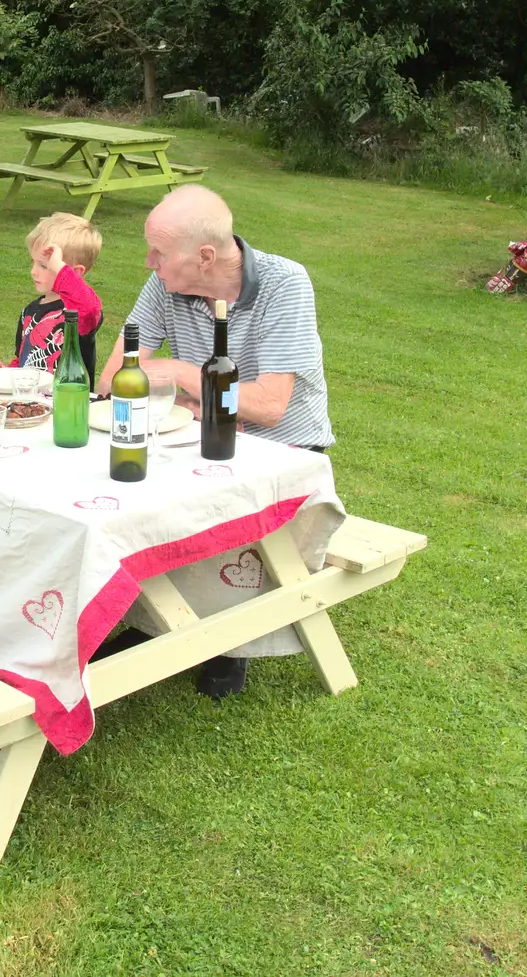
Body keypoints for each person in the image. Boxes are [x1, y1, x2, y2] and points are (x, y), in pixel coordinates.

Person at [96, 184, 333, 698]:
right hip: (194, 438)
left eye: (158, 252)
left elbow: (270, 407)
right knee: (124, 487)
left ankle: (233, 639)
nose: (148, 262)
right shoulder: (166, 284)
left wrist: (180, 373)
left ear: (205, 257)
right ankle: (157, 618)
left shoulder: (283, 284)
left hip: (281, 452)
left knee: (213, 503)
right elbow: (112, 378)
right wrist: (203, 401)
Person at [0, 212, 104, 387]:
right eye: (33, 262)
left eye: (44, 265)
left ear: (75, 272)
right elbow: (24, 361)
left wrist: (59, 266)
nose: (33, 271)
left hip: (69, 404)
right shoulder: (30, 311)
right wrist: (5, 371)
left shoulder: (78, 314)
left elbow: (89, 307)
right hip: (31, 404)